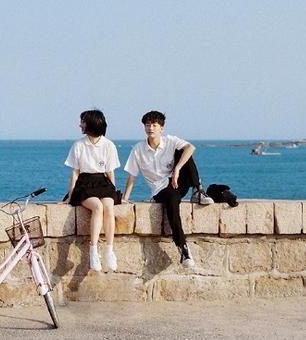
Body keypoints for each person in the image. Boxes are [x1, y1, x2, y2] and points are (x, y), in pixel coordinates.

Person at [122, 111, 213, 268]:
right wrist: (125, 198)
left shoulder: (170, 141)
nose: (150, 128)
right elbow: (132, 176)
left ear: (161, 128)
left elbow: (191, 147)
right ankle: (183, 248)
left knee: (185, 151)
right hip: (160, 189)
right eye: (147, 125)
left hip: (175, 182)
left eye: (154, 125)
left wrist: (177, 169)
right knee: (172, 200)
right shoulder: (138, 149)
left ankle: (197, 191)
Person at [63, 109, 121, 272]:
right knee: (97, 207)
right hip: (84, 183)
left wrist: (113, 191)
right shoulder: (79, 145)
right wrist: (70, 194)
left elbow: (110, 172)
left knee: (108, 206)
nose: (80, 125)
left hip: (102, 182)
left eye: (83, 121)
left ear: (92, 124)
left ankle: (109, 250)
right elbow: (75, 172)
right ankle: (93, 251)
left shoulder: (108, 145)